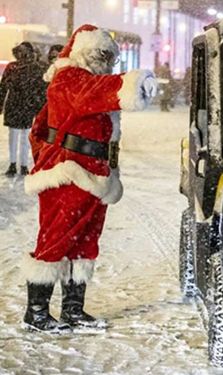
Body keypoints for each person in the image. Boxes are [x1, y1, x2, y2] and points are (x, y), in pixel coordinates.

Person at [22, 24, 157, 332]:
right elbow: (87, 97)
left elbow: (41, 128)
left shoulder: (86, 81)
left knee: (84, 241)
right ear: (83, 52)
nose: (105, 59)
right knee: (56, 238)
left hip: (93, 172)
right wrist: (131, 83)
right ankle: (37, 311)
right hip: (68, 171)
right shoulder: (69, 78)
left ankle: (72, 309)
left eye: (109, 55)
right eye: (100, 53)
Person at [0, 42, 47, 176]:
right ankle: (15, 164)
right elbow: (3, 87)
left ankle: (21, 164)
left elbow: (40, 90)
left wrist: (39, 108)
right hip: (19, 105)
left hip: (24, 105)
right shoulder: (15, 67)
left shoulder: (32, 68)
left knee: (23, 137)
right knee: (16, 136)